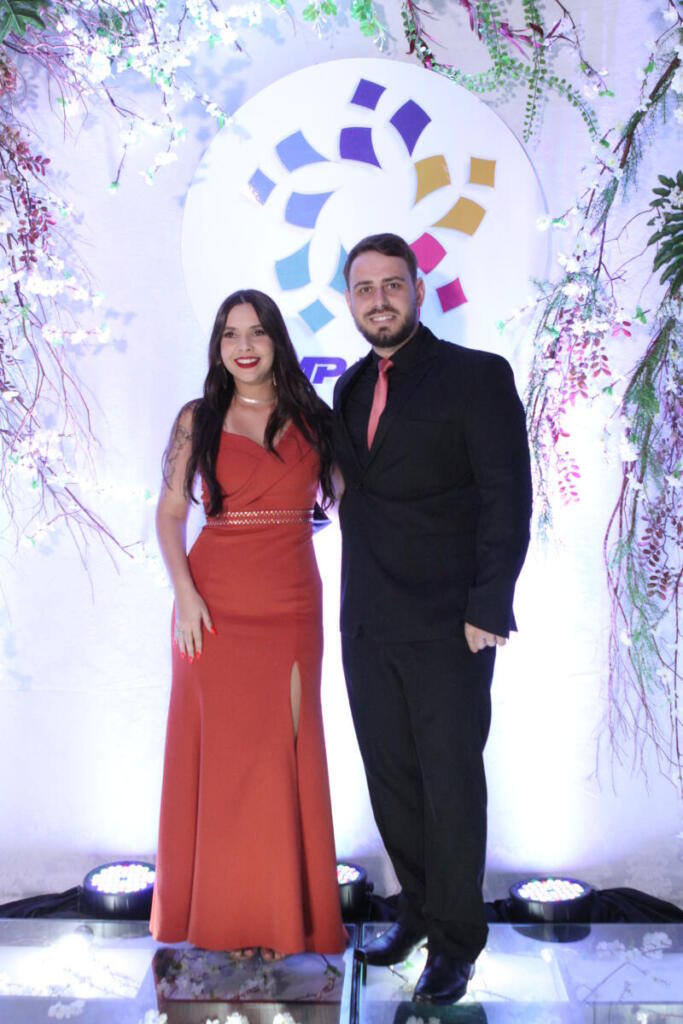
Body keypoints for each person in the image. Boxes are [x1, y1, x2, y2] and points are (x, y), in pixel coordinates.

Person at [331, 233, 532, 1003]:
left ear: (418, 291)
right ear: (349, 301)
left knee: (450, 786)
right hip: (367, 622)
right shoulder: (350, 387)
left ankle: (455, 943)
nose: (378, 300)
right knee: (392, 782)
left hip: (451, 624)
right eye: (363, 288)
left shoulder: (476, 377)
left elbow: (506, 497)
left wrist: (488, 606)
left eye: (391, 285)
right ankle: (416, 912)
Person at [150, 289, 346, 959]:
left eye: (256, 332)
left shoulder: (315, 419)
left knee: (281, 759)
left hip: (291, 605)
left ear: (276, 341)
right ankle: (225, 919)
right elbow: (170, 513)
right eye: (230, 334)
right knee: (223, 763)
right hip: (211, 608)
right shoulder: (196, 418)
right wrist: (185, 595)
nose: (243, 345)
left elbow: (356, 500)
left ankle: (280, 918)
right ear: (217, 347)